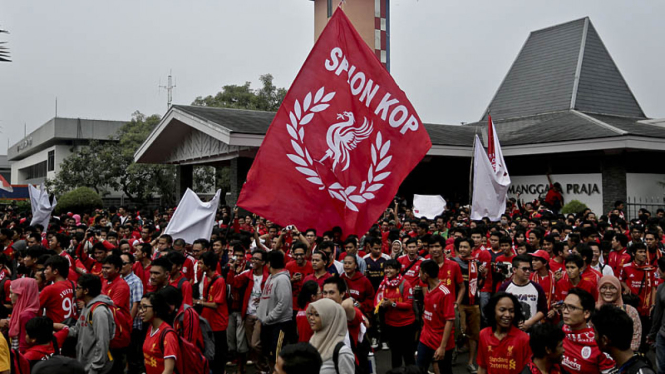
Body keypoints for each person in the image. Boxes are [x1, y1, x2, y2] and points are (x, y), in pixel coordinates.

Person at [67, 274, 115, 374]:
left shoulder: (99, 312)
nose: (75, 290)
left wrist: (95, 367)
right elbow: (77, 329)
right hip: (85, 364)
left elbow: (102, 342)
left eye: (78, 287)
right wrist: (61, 330)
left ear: (86, 291)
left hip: (95, 368)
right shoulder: (86, 306)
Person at [560, 288, 615, 374]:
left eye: (572, 307)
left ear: (586, 313)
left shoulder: (598, 342)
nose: (565, 311)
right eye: (564, 306)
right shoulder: (559, 332)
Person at [375, 259, 416, 368]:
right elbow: (380, 299)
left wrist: (392, 304)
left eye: (390, 268)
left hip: (406, 325)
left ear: (397, 270)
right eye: (386, 268)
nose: (387, 270)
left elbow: (408, 305)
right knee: (395, 355)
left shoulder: (405, 284)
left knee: (408, 356)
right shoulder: (384, 284)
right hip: (391, 325)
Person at [257, 250, 294, 370]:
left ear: (268, 263)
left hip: (279, 324)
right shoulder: (271, 278)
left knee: (277, 356)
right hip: (268, 323)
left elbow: (283, 304)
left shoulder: (282, 279)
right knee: (269, 354)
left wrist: (268, 318)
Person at [416, 259, 455, 374]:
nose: (419, 275)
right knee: (419, 370)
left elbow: (450, 320)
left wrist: (442, 347)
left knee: (445, 371)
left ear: (426, 275)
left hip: (441, 343)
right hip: (425, 340)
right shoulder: (428, 288)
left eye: (420, 272)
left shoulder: (445, 293)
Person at [477, 292, 531, 374]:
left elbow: (529, 369)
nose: (507, 315)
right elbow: (482, 367)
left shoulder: (524, 339)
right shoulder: (483, 334)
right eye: (502, 310)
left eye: (511, 311)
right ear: (493, 310)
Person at [593, 305, 655, 374]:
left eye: (595, 333)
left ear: (604, 340)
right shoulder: (618, 369)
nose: (593, 337)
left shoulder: (641, 372)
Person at [195, 251, 229, 374]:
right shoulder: (205, 278)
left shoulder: (219, 281)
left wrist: (198, 303)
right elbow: (205, 298)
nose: (199, 265)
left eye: (201, 263)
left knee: (219, 352)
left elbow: (215, 304)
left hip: (217, 323)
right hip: (206, 321)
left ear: (208, 266)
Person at [620, 242, 656, 352]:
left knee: (643, 333)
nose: (644, 254)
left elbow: (654, 287)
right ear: (633, 253)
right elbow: (621, 280)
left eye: (644, 252)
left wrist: (653, 304)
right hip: (632, 305)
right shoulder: (626, 267)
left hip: (645, 308)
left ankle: (642, 354)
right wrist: (626, 287)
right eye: (640, 252)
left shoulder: (650, 269)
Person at [498, 255, 547, 331]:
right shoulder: (504, 288)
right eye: (524, 269)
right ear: (514, 269)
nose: (528, 272)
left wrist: (529, 323)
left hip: (532, 331)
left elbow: (543, 310)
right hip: (510, 330)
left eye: (529, 269)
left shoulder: (537, 288)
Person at [307, 298, 355, 374]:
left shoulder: (342, 352)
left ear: (329, 318)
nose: (311, 318)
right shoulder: (313, 341)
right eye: (310, 314)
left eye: (316, 315)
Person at [596, 275, 641, 352]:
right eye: (604, 287)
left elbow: (636, 337)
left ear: (619, 289)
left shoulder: (630, 311)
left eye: (612, 288)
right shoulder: (594, 310)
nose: (608, 291)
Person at [139, 292, 180, 374]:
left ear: (156, 309)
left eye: (145, 307)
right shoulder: (150, 328)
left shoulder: (168, 335)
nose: (140, 311)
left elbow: (168, 370)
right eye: (140, 307)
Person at [0, 277, 40, 352]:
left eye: (11, 293)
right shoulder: (29, 310)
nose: (9, 296)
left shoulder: (25, 316)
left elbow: (23, 346)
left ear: (22, 294)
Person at [40, 255, 77, 323]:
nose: (44, 272)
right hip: (73, 328)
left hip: (57, 330)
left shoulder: (49, 289)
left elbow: (36, 308)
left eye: (47, 269)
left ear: (55, 271)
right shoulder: (74, 284)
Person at [648, 256, 665, 374]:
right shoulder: (661, 288)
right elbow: (657, 314)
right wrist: (653, 334)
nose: (657, 271)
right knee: (661, 368)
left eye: (659, 268)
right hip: (663, 335)